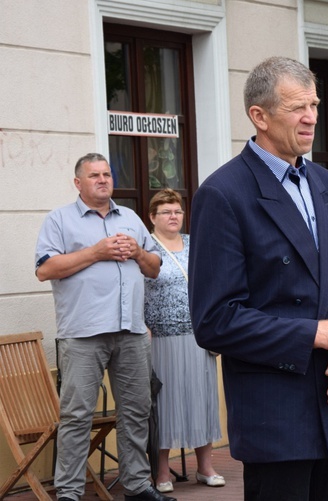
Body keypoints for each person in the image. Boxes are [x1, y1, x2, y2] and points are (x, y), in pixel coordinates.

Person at [188, 56, 328, 501]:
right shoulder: (222, 194)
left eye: (314, 104)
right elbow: (215, 321)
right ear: (259, 116)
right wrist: (317, 332)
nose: (311, 116)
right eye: (297, 107)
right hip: (280, 423)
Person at [34, 153, 173, 501]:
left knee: (137, 411)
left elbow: (155, 267)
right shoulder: (59, 220)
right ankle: (68, 491)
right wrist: (95, 253)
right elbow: (45, 270)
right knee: (78, 415)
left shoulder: (130, 218)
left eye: (107, 174)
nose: (103, 180)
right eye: (94, 175)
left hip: (131, 331)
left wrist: (139, 254)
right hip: (82, 333)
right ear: (78, 183)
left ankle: (138, 486)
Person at [144, 189, 224, 493]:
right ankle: (161, 472)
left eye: (177, 211)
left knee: (201, 399)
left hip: (199, 335)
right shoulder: (147, 247)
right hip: (161, 337)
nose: (173, 216)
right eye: (166, 212)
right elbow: (136, 289)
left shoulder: (194, 244)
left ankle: (205, 467)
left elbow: (212, 284)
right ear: (152, 217)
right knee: (165, 404)